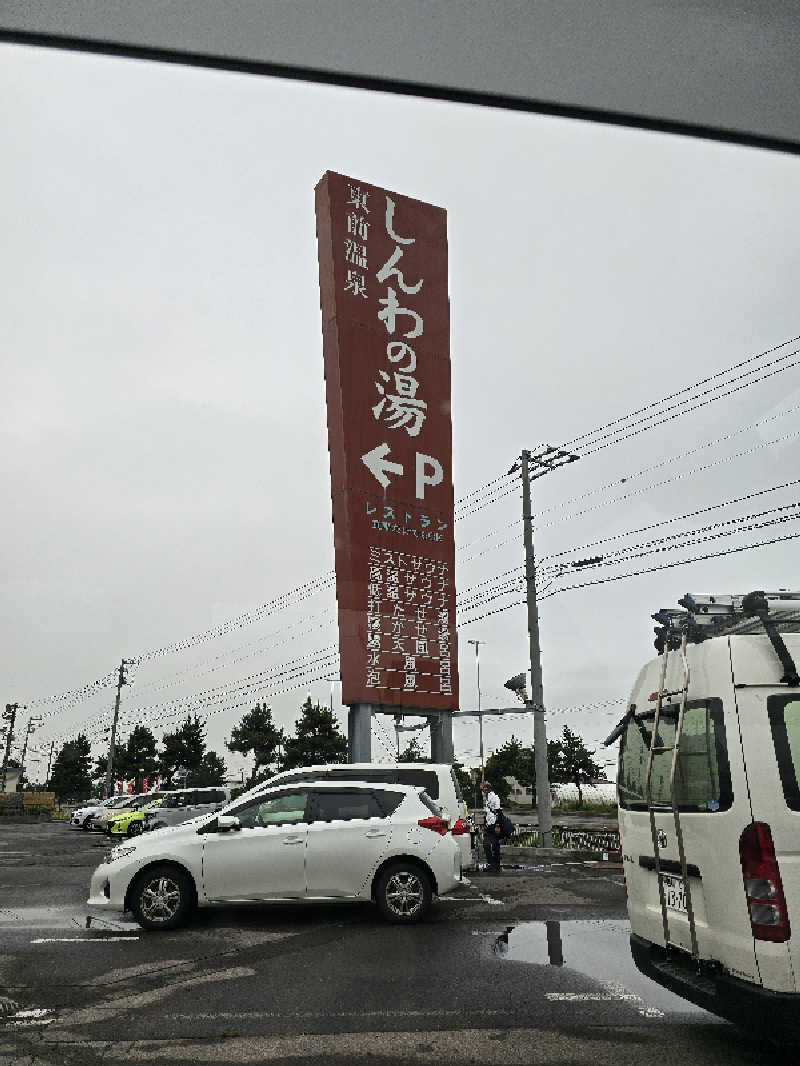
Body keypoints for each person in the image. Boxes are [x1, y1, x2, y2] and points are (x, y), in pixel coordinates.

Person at [480, 780, 502, 873]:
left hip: (494, 824)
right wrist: (484, 826)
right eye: (482, 789)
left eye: (484, 788)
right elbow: (487, 814)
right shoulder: (487, 798)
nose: (482, 790)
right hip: (489, 825)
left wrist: (497, 826)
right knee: (487, 845)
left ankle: (496, 865)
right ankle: (491, 864)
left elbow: (498, 812)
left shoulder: (494, 797)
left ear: (488, 788)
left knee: (494, 845)